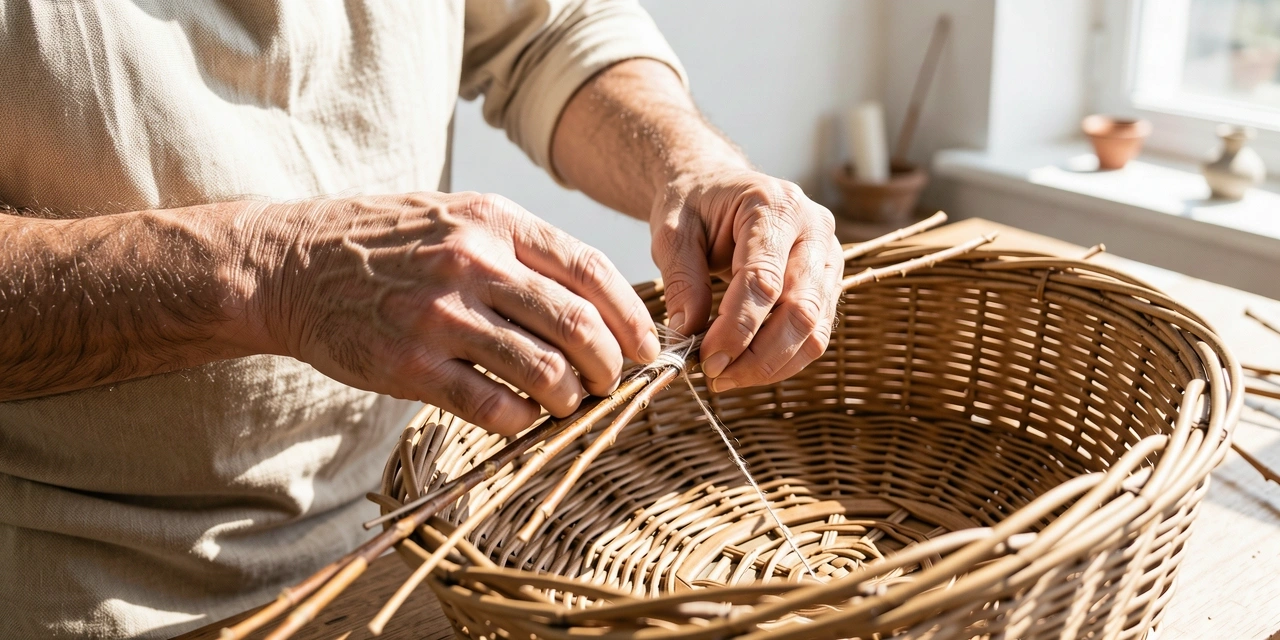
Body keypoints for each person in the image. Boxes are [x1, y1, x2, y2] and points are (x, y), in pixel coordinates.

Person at [0, 1, 842, 637]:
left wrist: (691, 166)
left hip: (416, 534)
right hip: (91, 591)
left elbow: (544, 31)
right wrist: (273, 272)